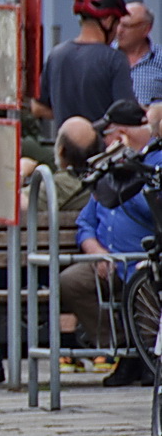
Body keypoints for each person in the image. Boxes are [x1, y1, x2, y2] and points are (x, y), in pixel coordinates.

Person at [57, 99, 161, 386]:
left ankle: (145, 357)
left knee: (144, 283)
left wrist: (132, 175)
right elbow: (85, 222)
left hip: (142, 260)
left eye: (109, 133)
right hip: (107, 259)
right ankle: (123, 348)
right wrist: (96, 250)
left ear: (123, 134)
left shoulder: (155, 163)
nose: (103, 140)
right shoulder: (107, 165)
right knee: (71, 281)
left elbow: (151, 213)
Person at [32, 0, 134, 125]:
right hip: (103, 144)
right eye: (117, 24)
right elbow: (127, 113)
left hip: (65, 143)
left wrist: (71, 119)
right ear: (108, 21)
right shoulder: (114, 59)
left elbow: (37, 108)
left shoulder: (56, 54)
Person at [115, 2, 162, 107]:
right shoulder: (105, 56)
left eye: (126, 26)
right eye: (118, 23)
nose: (119, 31)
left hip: (149, 121)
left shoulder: (159, 59)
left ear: (146, 29)